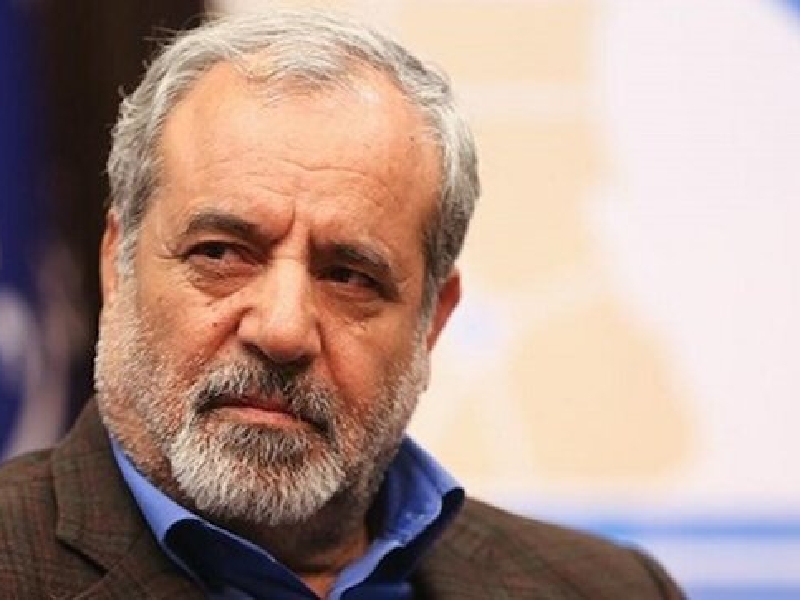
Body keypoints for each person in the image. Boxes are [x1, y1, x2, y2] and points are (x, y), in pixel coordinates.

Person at [0, 9, 684, 599]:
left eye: (350, 276)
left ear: (433, 321)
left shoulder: (608, 589)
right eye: (222, 253)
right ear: (117, 266)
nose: (282, 328)